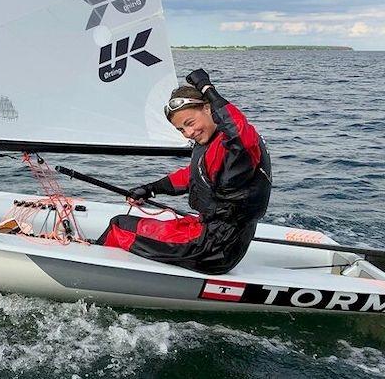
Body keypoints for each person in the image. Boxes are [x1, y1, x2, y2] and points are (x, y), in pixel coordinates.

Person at [97, 69, 272, 274]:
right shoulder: (214, 143)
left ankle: (90, 271)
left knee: (119, 225)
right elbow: (191, 177)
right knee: (136, 224)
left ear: (208, 109)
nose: (189, 133)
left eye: (190, 123)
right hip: (219, 240)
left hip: (210, 248)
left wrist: (208, 89)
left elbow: (241, 133)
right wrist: (150, 189)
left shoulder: (237, 148)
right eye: (181, 130)